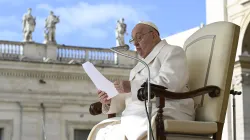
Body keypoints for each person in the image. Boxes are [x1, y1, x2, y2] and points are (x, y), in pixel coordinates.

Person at [87, 21, 195, 140]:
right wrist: (109, 99)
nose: (136, 44)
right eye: (133, 41)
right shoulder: (138, 67)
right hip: (138, 114)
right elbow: (129, 96)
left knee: (130, 125)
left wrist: (131, 86)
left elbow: (170, 83)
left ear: (153, 35)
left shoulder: (172, 52)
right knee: (104, 132)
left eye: (139, 38)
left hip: (167, 110)